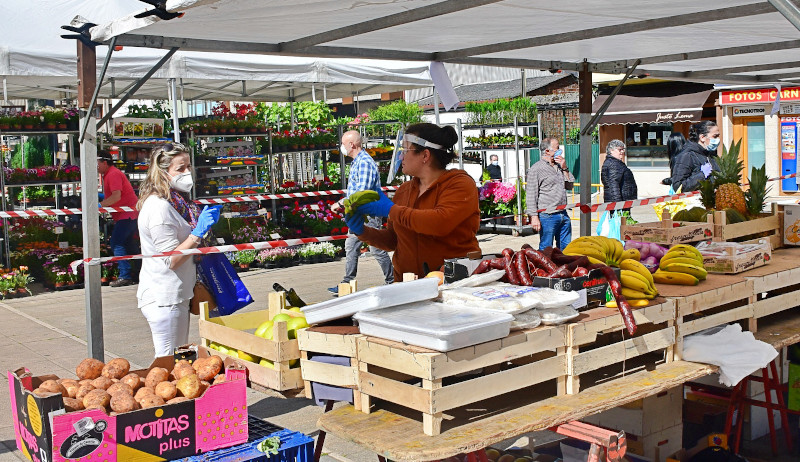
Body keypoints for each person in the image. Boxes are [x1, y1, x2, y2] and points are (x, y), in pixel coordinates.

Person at [344, 123, 480, 279]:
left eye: (405, 150)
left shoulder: (460, 184)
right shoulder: (404, 191)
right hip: (407, 286)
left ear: (425, 155)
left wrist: (391, 210)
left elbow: (439, 223)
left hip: (452, 283)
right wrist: (363, 231)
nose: (401, 156)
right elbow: (393, 241)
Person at [136, 143, 222, 357]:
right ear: (164, 173)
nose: (187, 173)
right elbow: (171, 259)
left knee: (176, 357)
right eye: (180, 168)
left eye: (188, 166)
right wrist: (197, 233)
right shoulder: (159, 208)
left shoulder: (175, 202)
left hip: (177, 294)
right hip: (164, 298)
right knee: (167, 359)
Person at [329, 130, 393, 294]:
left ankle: (393, 280)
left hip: (367, 212)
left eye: (343, 144)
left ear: (351, 145)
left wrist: (341, 202)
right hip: (358, 213)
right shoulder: (358, 161)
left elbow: (362, 193)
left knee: (376, 248)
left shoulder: (364, 162)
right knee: (351, 246)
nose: (341, 147)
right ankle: (347, 283)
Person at [97, 151, 139, 287]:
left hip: (127, 214)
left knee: (116, 242)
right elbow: (113, 195)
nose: (94, 166)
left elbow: (116, 197)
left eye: (96, 163)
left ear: (104, 162)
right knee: (129, 245)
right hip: (129, 214)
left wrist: (99, 205)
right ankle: (139, 272)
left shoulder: (113, 174)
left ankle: (125, 275)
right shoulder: (110, 174)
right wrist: (100, 196)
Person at [526, 137, 575, 250]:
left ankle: (563, 267)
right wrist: (534, 216)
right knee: (546, 247)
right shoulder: (536, 169)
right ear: (547, 151)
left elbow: (570, 186)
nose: (560, 151)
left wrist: (565, 168)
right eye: (557, 148)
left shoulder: (559, 167)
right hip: (547, 215)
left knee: (566, 248)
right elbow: (531, 194)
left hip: (563, 213)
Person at [671, 121, 720, 192]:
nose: (718, 139)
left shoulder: (712, 155)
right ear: (702, 137)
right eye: (715, 136)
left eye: (718, 136)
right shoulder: (687, 155)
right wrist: (702, 175)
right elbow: (678, 187)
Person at [601, 139, 637, 204]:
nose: (622, 152)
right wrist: (617, 205)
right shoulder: (613, 164)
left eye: (623, 149)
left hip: (623, 202)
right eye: (620, 150)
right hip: (620, 204)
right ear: (611, 150)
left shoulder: (614, 162)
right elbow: (613, 186)